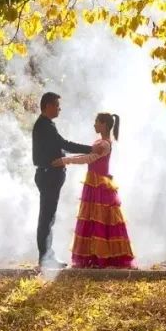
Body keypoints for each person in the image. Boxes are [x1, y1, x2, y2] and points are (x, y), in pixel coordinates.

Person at [58, 112, 134, 268]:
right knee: (93, 220)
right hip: (94, 184)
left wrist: (64, 160)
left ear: (104, 124)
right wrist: (65, 157)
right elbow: (88, 154)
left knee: (100, 220)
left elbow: (89, 158)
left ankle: (102, 258)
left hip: (99, 185)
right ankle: (94, 256)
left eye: (96, 122)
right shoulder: (100, 142)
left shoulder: (104, 144)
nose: (94, 125)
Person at [32, 92, 93, 269]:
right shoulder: (45, 126)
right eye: (57, 105)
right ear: (48, 106)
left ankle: (47, 256)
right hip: (48, 175)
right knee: (47, 217)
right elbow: (64, 144)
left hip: (50, 175)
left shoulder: (47, 125)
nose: (59, 108)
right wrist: (90, 149)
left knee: (48, 216)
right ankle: (45, 258)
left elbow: (57, 148)